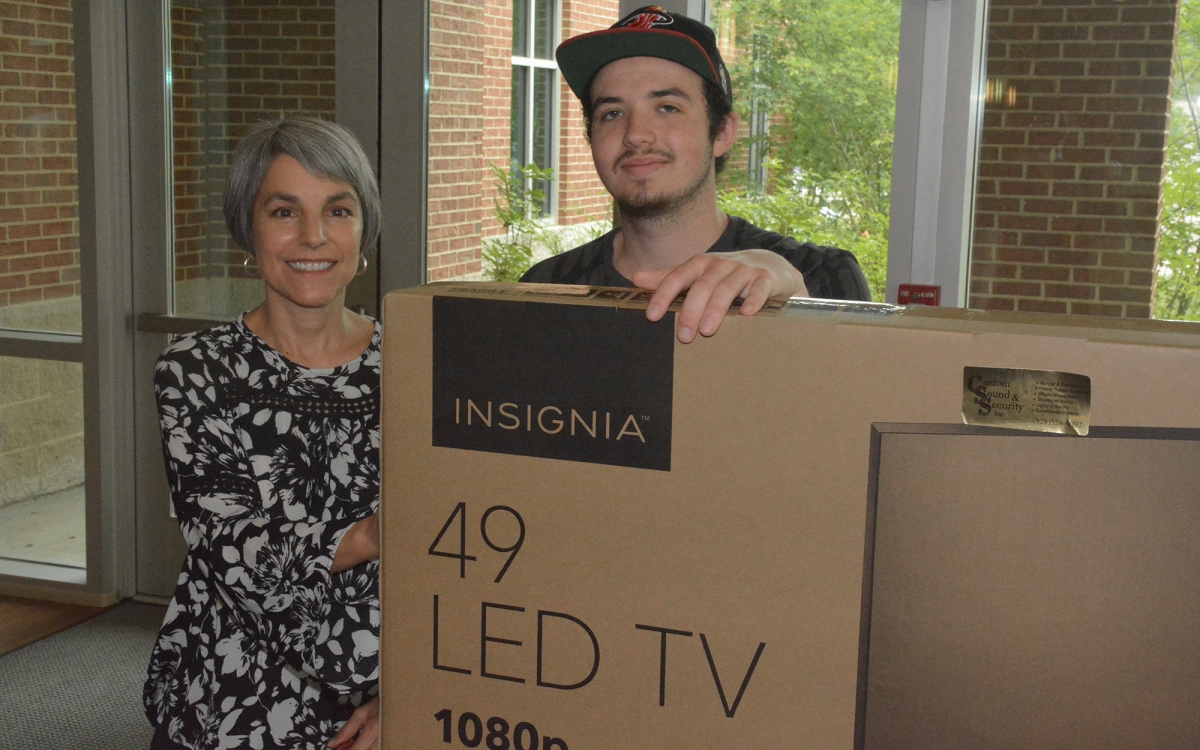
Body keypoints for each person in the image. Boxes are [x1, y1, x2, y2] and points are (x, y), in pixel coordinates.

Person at [144, 116, 382, 750]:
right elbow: (237, 550)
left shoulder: (420, 368)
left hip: (382, 708)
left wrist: (411, 694)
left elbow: (457, 557)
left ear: (364, 232)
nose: (314, 236)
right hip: (223, 704)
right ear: (247, 229)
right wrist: (375, 533)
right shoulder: (194, 371)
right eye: (284, 211)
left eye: (338, 210)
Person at [521, 5, 873, 341]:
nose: (635, 134)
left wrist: (799, 308)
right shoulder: (543, 290)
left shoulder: (820, 276)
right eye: (612, 113)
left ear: (722, 132)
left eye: (667, 107)